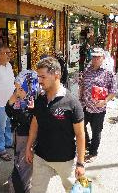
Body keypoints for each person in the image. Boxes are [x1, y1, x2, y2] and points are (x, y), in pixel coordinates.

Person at [25, 57, 85, 193]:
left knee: (74, 190)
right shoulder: (40, 99)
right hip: (41, 158)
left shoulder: (72, 103)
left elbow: (80, 135)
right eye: (38, 76)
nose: (39, 80)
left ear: (56, 75)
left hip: (65, 160)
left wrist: (80, 163)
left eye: (43, 77)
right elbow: (35, 123)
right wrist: (28, 147)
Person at [79, 47, 117, 162]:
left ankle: (93, 152)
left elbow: (113, 91)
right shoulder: (86, 70)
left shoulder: (108, 72)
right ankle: (87, 144)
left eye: (98, 57)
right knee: (80, 128)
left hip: (98, 109)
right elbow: (82, 85)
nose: (95, 59)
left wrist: (105, 101)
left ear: (103, 58)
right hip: (85, 107)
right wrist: (80, 99)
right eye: (94, 57)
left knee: (96, 132)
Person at [6, 69, 39, 193]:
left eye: (20, 89)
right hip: (19, 134)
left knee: (24, 163)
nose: (18, 92)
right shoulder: (18, 96)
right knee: (20, 161)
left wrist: (28, 111)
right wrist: (12, 99)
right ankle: (19, 185)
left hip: (28, 136)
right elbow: (8, 112)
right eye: (16, 88)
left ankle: (21, 187)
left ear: (29, 86)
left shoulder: (37, 100)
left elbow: (29, 121)